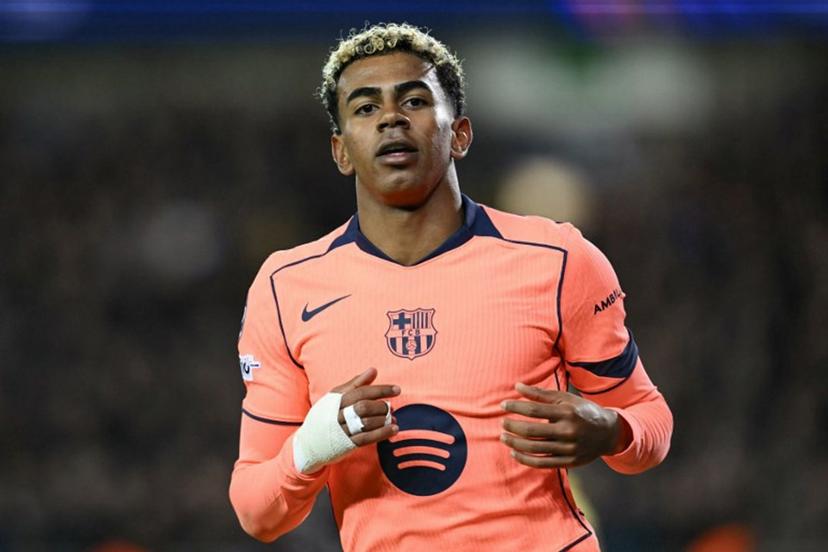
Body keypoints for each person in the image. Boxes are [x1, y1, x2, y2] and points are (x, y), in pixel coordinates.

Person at [229, 22, 672, 552]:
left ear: (459, 134)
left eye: (413, 100)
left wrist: (611, 429)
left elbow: (650, 421)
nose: (390, 117)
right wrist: (307, 450)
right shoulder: (286, 288)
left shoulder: (558, 259)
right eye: (366, 108)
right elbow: (257, 512)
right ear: (341, 150)